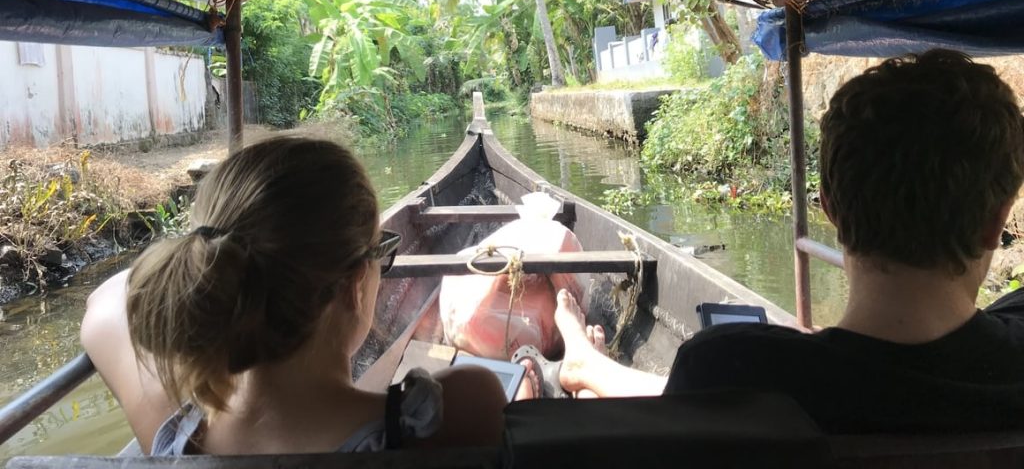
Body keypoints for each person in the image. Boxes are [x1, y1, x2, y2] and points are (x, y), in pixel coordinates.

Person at [554, 50, 1024, 432]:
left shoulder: (732, 366)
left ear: (830, 209)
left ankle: (586, 364)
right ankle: (587, 364)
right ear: (998, 222)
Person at [80, 136, 507, 455]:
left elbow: (105, 302)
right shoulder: (457, 409)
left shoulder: (177, 435)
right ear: (355, 283)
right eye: (383, 252)